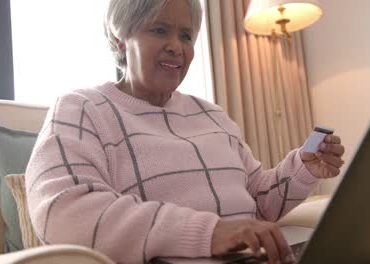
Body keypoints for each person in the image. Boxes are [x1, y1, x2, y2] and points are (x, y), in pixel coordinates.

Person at [25, 0, 345, 263]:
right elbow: (63, 212)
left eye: (186, 36)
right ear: (119, 39)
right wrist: (210, 232)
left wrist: (303, 168)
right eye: (160, 30)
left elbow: (259, 203)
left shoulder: (213, 115)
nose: (176, 47)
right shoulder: (81, 108)